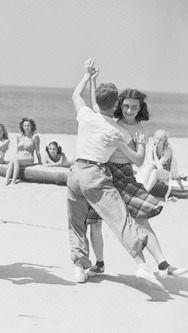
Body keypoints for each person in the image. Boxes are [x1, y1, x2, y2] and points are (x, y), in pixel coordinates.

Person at [67, 57, 156, 286]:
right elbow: (137, 159)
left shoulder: (87, 115)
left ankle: (79, 268)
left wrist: (87, 75)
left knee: (76, 223)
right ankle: (141, 264)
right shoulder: (118, 131)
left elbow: (77, 96)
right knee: (120, 218)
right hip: (95, 175)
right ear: (116, 103)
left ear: (96, 101)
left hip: (75, 173)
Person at [86, 88, 186, 279]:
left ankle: (164, 265)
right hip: (103, 173)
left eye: (134, 107)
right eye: (125, 106)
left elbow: (139, 161)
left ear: (140, 108)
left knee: (141, 220)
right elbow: (96, 105)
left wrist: (122, 144)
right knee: (95, 223)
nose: (129, 110)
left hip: (124, 176)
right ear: (119, 105)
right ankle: (99, 265)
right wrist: (91, 80)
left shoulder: (140, 130)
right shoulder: (112, 122)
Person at [138, 129, 187, 194]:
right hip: (157, 169)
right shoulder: (151, 147)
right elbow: (150, 161)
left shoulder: (168, 149)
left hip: (167, 172)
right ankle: (144, 189)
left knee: (155, 172)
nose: (157, 141)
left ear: (164, 141)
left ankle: (146, 192)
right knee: (150, 166)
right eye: (156, 138)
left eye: (160, 140)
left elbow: (161, 163)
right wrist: (154, 150)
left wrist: (155, 153)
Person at [3, 118, 42, 185]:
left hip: (29, 158)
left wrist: (40, 162)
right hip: (19, 157)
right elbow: (18, 150)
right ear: (22, 127)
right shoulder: (19, 136)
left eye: (28, 126)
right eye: (25, 126)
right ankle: (6, 180)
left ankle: (13, 181)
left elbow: (37, 151)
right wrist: (15, 158)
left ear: (32, 126)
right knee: (13, 161)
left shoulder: (35, 137)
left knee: (15, 160)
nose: (26, 127)